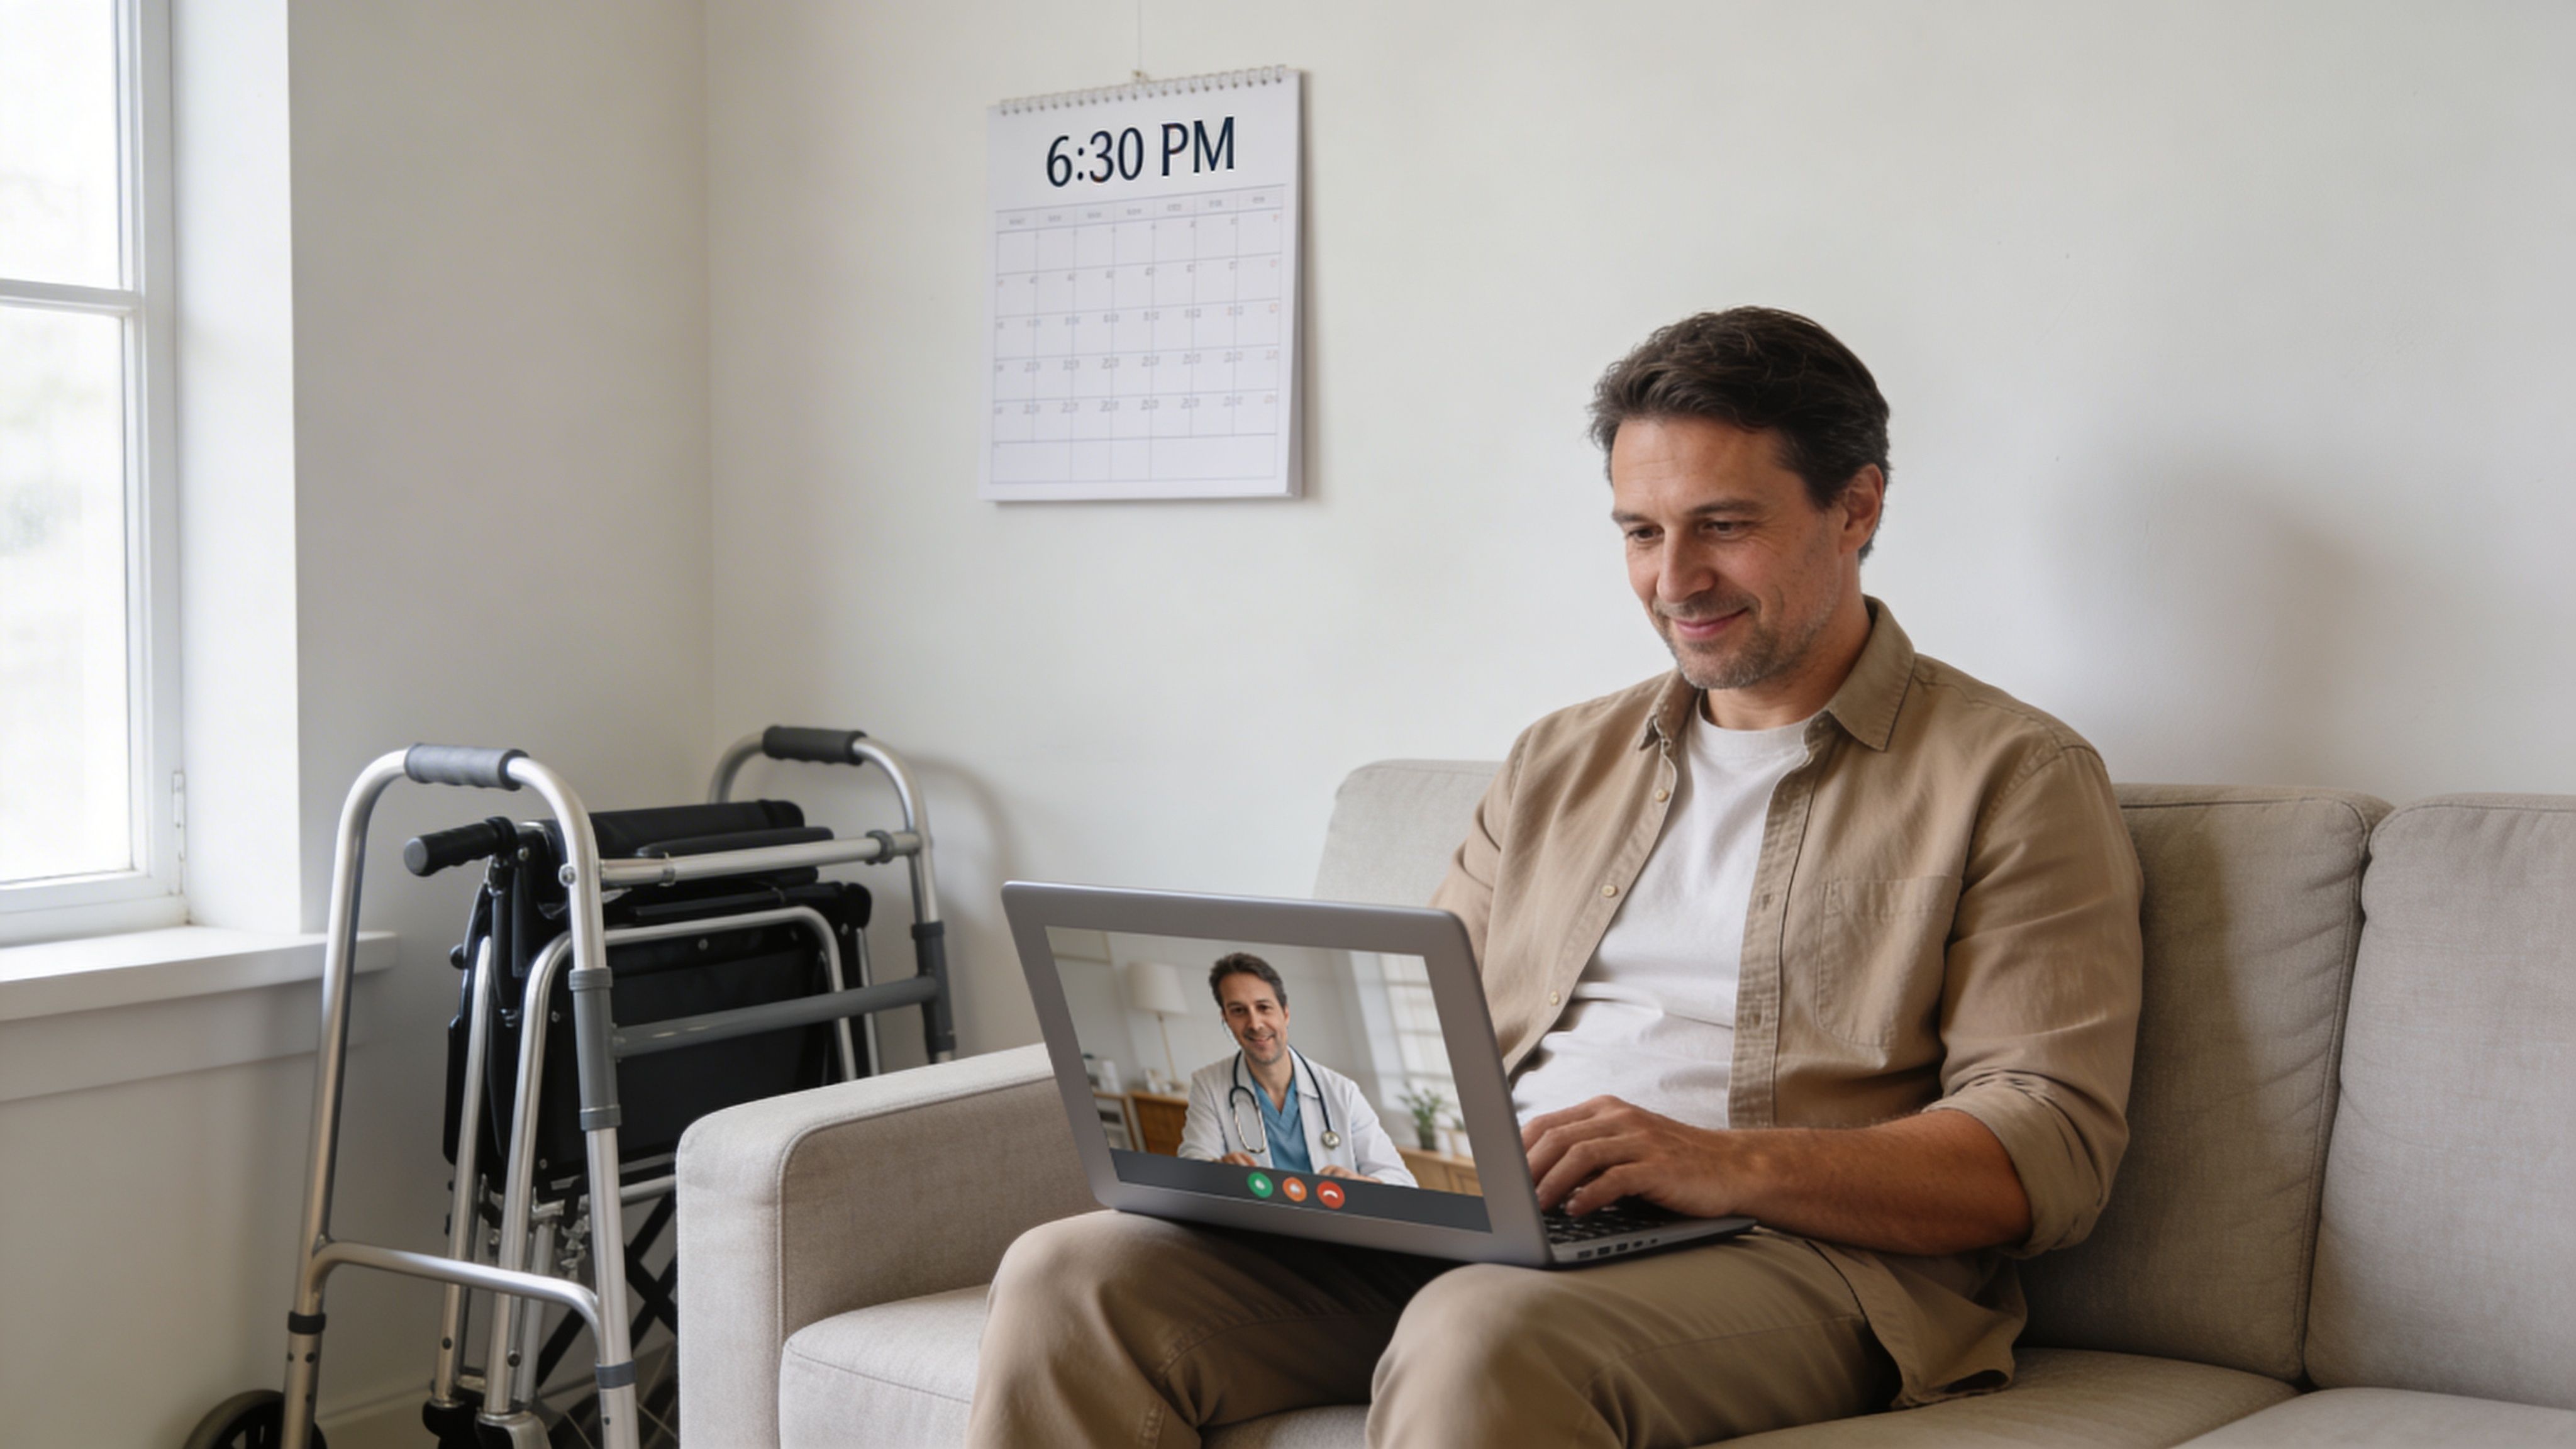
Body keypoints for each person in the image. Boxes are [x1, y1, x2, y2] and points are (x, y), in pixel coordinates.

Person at [969, 307, 2143, 1448]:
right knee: (1071, 1272)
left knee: (1478, 1330)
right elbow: (1424, 1042)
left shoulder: (2013, 774)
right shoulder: (1558, 759)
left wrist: (1708, 1157)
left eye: (1722, 524)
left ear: (1857, 507)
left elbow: (2047, 1150)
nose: (1674, 577)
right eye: (1640, 530)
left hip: (1804, 1259)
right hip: (1507, 1226)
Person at [1174, 953, 1417, 1187]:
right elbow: (1193, 1165)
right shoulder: (1209, 1085)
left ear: (1285, 1013)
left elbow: (1402, 1182)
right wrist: (1218, 1170)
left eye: (1264, 1007)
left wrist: (1361, 1184)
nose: (1255, 1024)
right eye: (1239, 1011)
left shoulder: (1342, 1092)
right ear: (1226, 1019)